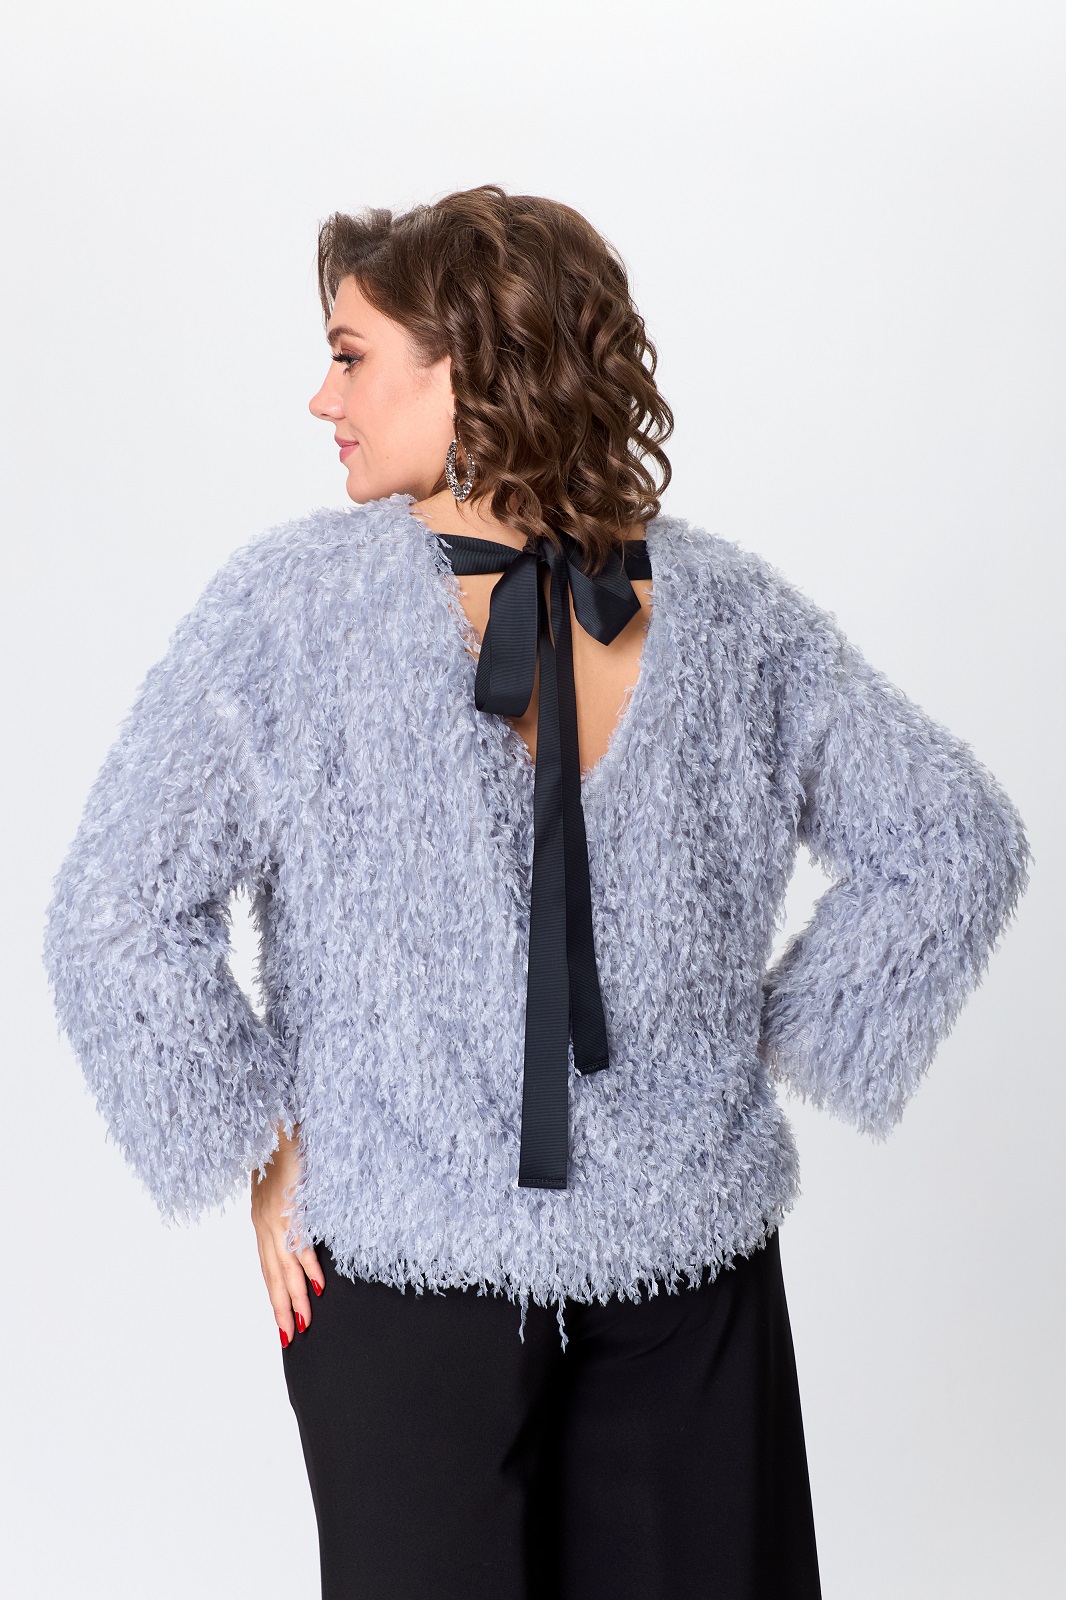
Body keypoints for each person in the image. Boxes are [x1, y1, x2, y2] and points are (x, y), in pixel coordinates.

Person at [41, 184, 1031, 1600]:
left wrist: (264, 1144)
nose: (322, 398)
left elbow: (112, 913)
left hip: (433, 1266)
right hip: (638, 1268)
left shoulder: (292, 612)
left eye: (350, 356)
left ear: (469, 370)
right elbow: (952, 843)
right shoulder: (723, 612)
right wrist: (757, 1048)